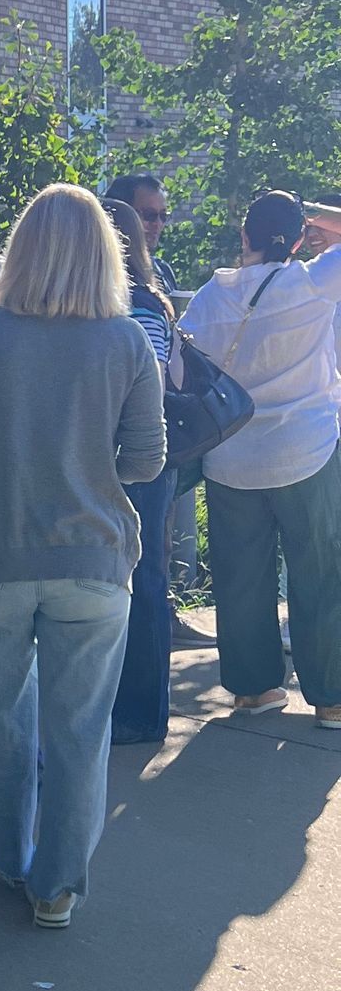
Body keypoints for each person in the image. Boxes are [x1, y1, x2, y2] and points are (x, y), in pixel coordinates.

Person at [0, 186, 166, 926]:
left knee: (2, 720)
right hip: (93, 558)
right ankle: (58, 886)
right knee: (80, 729)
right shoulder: (126, 338)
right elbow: (147, 463)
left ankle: (9, 852)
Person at [179, 190, 341, 725]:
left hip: (231, 457)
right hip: (307, 452)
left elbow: (184, 371)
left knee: (240, 575)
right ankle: (331, 696)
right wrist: (318, 215)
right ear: (298, 240)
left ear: (243, 236)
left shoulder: (210, 294)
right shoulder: (313, 283)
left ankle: (254, 690)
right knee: (319, 572)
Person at [105, 198, 179, 746]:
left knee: (143, 580)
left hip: (140, 460)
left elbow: (148, 387)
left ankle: (140, 714)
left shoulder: (136, 307)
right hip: (137, 459)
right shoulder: (143, 302)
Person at [104, 173, 178, 297]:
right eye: (150, 215)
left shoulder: (163, 271)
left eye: (163, 216)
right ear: (121, 214)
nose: (158, 224)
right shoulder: (102, 274)